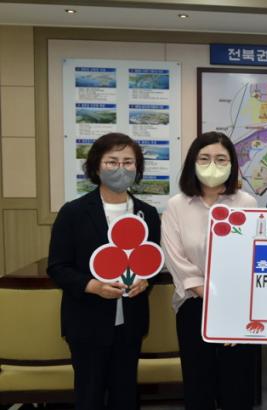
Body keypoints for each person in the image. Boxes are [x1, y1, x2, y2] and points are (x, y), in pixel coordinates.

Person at [47, 132, 160, 410]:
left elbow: (153, 263)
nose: (121, 168)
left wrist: (146, 281)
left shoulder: (147, 213)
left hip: (131, 322)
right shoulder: (73, 212)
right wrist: (93, 286)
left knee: (125, 395)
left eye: (128, 162)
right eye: (112, 161)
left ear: (137, 168)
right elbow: (58, 267)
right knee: (89, 396)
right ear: (96, 166)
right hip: (86, 321)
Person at [161, 131, 258, 410]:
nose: (212, 165)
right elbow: (176, 259)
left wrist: (229, 307)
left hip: (238, 307)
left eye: (221, 159)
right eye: (204, 158)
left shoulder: (246, 203)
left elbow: (252, 256)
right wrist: (212, 298)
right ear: (192, 162)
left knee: (237, 386)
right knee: (198, 385)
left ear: (232, 164)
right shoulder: (176, 205)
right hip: (194, 305)